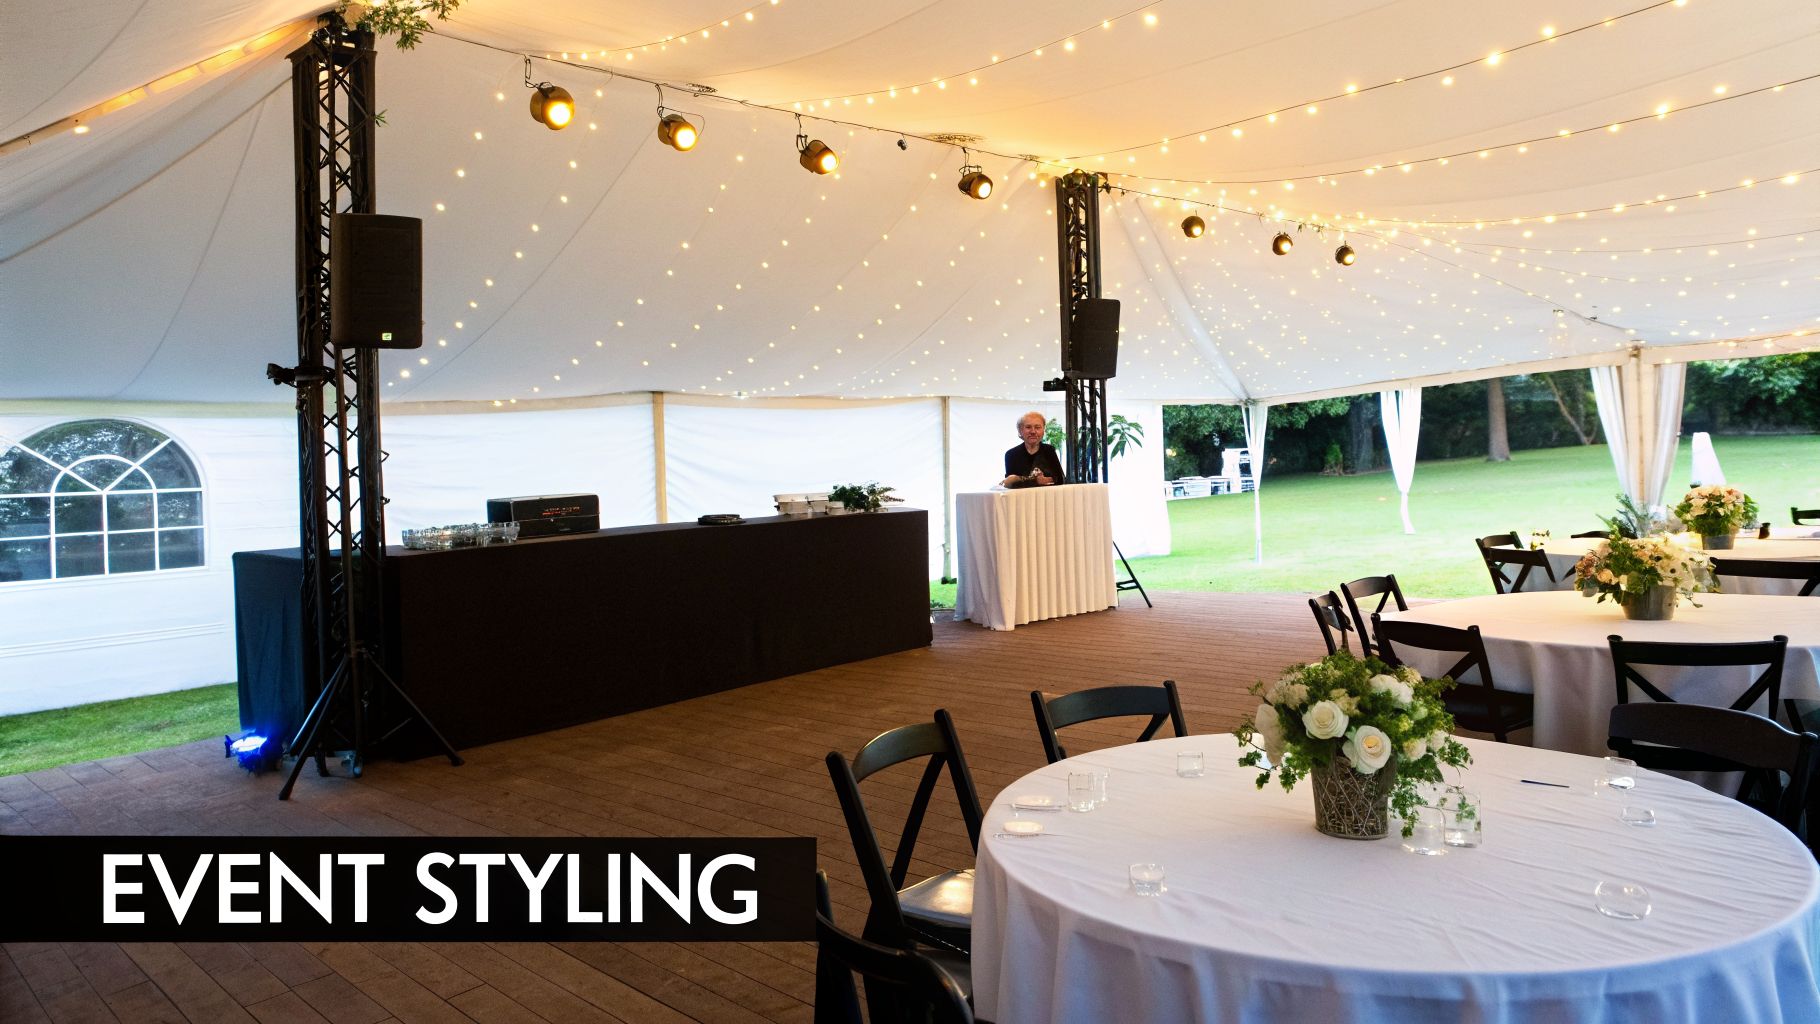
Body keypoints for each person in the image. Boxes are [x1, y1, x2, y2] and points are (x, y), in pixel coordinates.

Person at [1002, 411, 1065, 487]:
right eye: (1028, 427)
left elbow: (1060, 479)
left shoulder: (1049, 450)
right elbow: (1009, 483)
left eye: (1037, 427)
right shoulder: (1011, 454)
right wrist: (1036, 480)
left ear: (1043, 430)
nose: (1033, 431)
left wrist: (1020, 479)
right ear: (1020, 431)